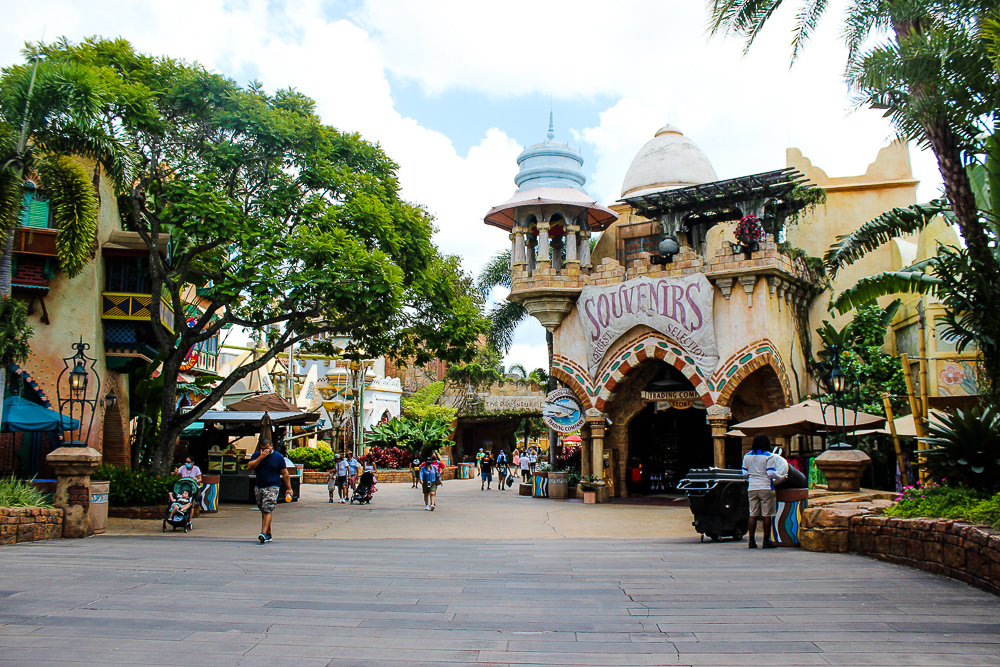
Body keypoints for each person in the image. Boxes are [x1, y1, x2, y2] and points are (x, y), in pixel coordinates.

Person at [246, 438, 291, 544]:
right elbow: (249, 466)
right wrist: (261, 457)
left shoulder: (278, 457)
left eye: (266, 448)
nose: (264, 451)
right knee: (263, 510)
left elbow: (285, 473)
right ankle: (268, 533)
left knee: (267, 509)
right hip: (259, 486)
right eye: (262, 449)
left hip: (272, 486)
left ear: (271, 446)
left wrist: (289, 488)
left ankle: (263, 533)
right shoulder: (257, 455)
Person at [742, 434, 781, 549]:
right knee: (766, 515)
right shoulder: (769, 457)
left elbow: (744, 474)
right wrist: (781, 477)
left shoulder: (747, 456)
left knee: (753, 514)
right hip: (766, 487)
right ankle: (766, 541)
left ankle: (751, 541)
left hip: (752, 487)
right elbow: (770, 473)